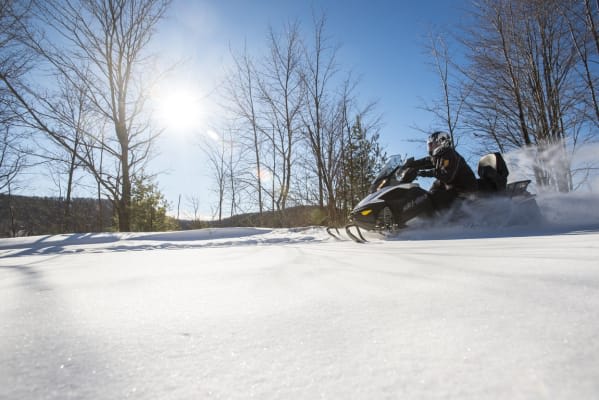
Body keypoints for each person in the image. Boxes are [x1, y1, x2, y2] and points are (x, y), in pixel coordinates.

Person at [404, 131, 478, 211]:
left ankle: (445, 219)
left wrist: (421, 173)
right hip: (452, 187)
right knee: (429, 192)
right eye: (429, 145)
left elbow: (446, 176)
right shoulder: (438, 156)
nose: (430, 147)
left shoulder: (449, 155)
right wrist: (410, 165)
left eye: (432, 144)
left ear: (442, 142)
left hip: (464, 189)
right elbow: (425, 161)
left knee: (433, 196)